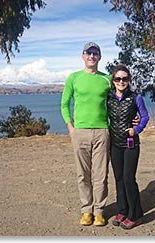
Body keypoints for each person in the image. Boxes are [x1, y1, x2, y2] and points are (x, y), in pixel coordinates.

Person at [60, 42, 111, 226]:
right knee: (83, 174)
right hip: (80, 132)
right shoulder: (73, 78)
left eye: (95, 53)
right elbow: (64, 104)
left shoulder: (107, 79)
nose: (91, 56)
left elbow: (119, 100)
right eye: (88, 53)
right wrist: (71, 128)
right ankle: (86, 210)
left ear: (100, 57)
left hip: (102, 132)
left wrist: (135, 117)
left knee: (101, 174)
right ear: (83, 56)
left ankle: (99, 211)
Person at [107, 64, 149, 230]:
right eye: (118, 78)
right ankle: (122, 210)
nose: (121, 81)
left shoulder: (135, 97)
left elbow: (145, 117)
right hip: (114, 144)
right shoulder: (108, 97)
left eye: (124, 78)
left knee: (128, 179)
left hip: (131, 144)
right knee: (118, 179)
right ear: (113, 80)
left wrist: (136, 129)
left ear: (129, 80)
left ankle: (135, 215)